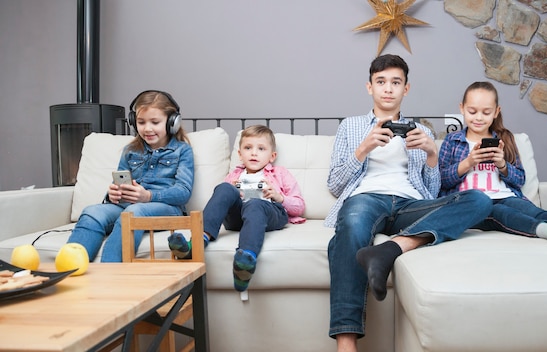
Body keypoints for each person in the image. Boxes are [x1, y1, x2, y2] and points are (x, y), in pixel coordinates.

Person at [326, 54, 493, 352]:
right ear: (369, 87)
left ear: (406, 88)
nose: (388, 89)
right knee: (350, 227)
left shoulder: (423, 131)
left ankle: (390, 249)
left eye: (395, 82)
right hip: (366, 199)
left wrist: (431, 153)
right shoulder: (350, 127)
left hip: (409, 204)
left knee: (479, 201)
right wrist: (363, 148)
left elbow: (432, 194)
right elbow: (335, 185)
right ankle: (346, 343)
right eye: (381, 82)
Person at [438, 81, 547, 244]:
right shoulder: (453, 141)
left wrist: (502, 164)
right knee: (501, 213)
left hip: (506, 196)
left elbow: (520, 179)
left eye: (486, 112)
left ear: (496, 112)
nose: (479, 118)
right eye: (472, 112)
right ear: (462, 109)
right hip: (474, 205)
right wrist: (468, 162)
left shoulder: (505, 139)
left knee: (531, 210)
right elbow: (441, 181)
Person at [66, 90, 195, 262]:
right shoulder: (130, 150)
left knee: (134, 212)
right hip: (128, 206)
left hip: (166, 208)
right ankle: (71, 271)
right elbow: (120, 183)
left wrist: (148, 196)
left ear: (172, 122)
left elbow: (183, 192)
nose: (147, 128)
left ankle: (112, 275)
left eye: (155, 122)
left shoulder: (182, 150)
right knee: (91, 212)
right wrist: (113, 195)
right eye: (141, 122)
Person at [175, 125, 305, 292]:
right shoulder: (234, 176)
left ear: (272, 156)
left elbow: (299, 206)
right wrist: (235, 191)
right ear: (240, 154)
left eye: (261, 149)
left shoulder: (280, 173)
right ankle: (198, 241)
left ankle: (245, 261)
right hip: (238, 217)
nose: (254, 153)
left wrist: (278, 196)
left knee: (255, 203)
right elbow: (221, 201)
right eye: (248, 148)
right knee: (223, 188)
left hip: (270, 212)